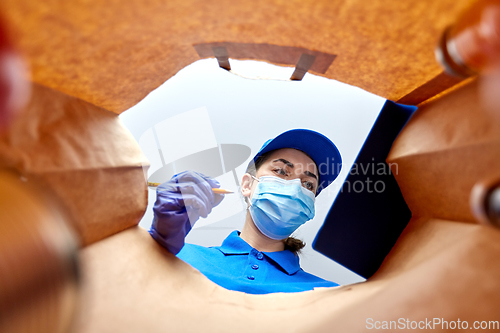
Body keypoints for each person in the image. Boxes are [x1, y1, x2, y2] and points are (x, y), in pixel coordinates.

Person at [149, 129, 342, 294]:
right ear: (247, 185)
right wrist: (156, 245)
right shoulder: (180, 256)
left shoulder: (326, 295)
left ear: (310, 206)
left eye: (308, 184)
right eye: (281, 171)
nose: (294, 188)